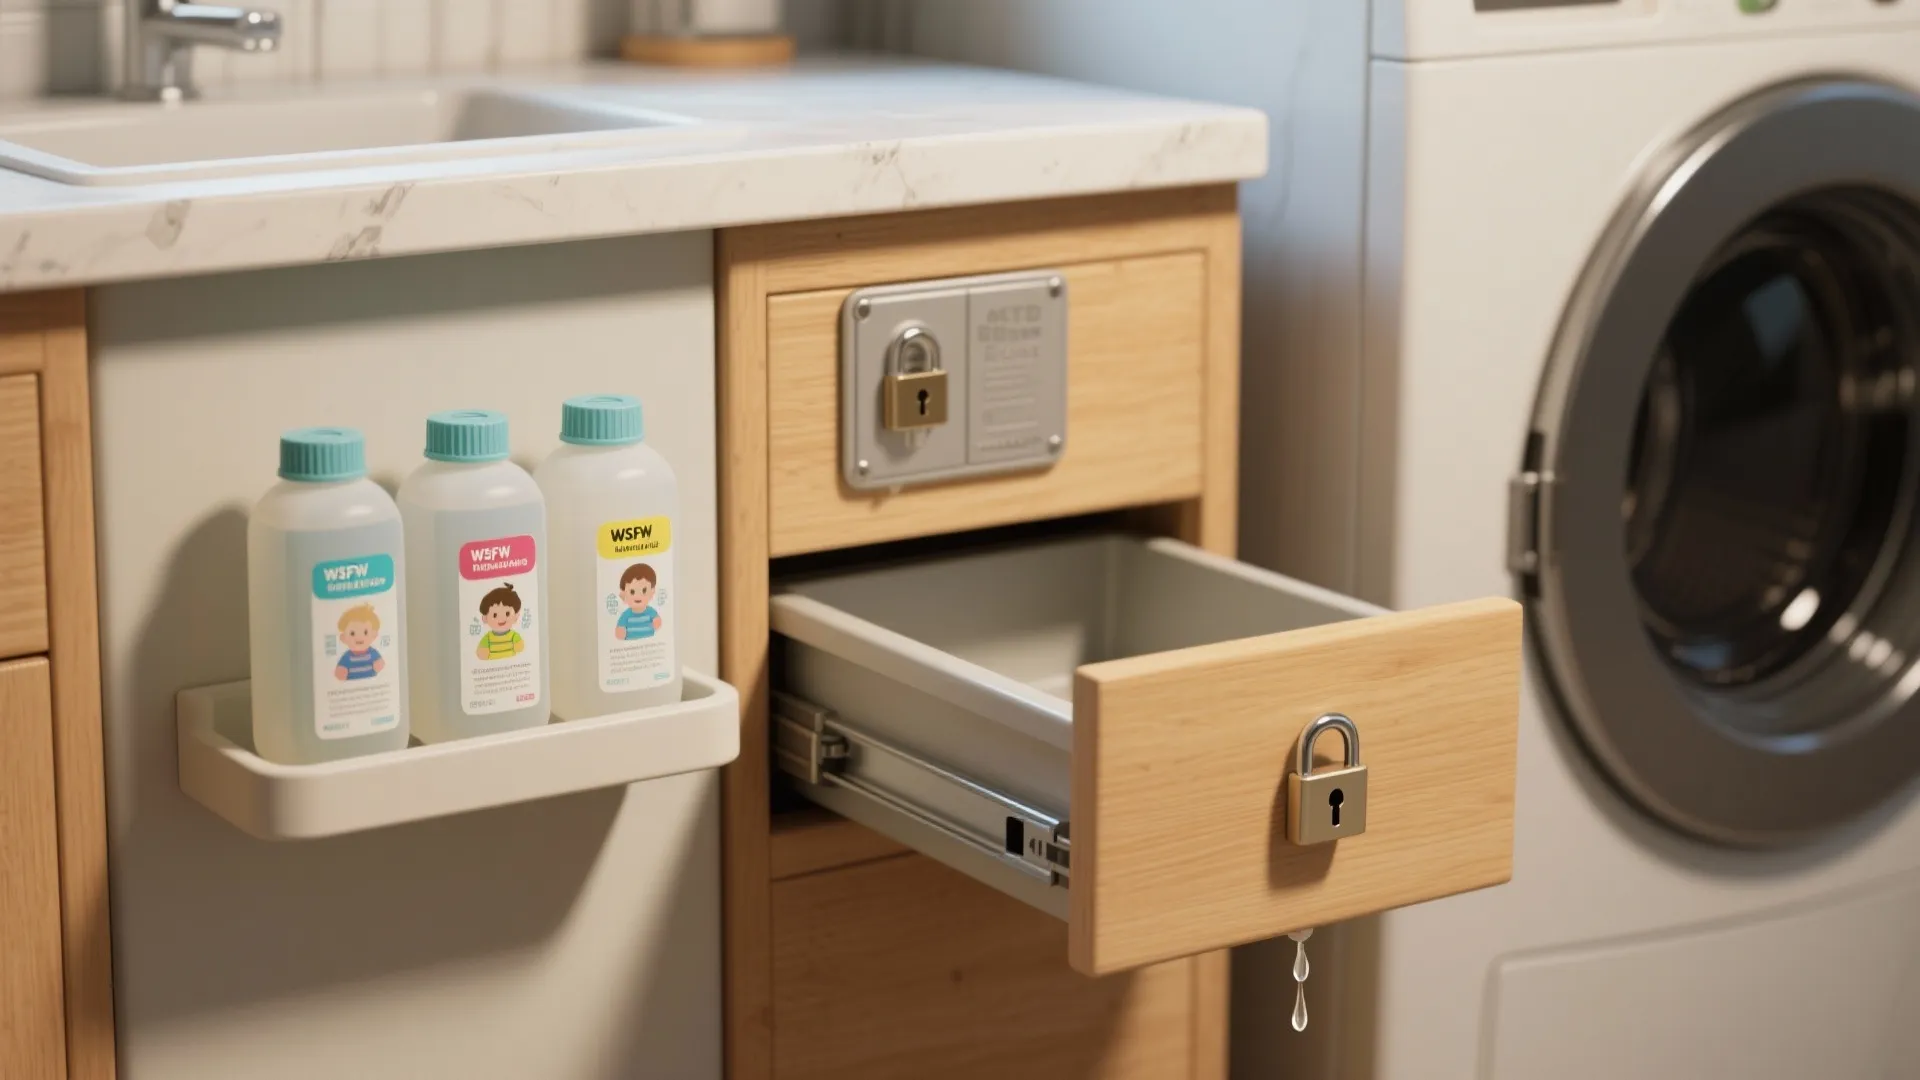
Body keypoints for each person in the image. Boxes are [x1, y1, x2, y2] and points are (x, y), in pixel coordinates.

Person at [334, 603, 386, 681]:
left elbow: (380, 663)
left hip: (372, 685)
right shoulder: (347, 657)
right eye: (352, 633)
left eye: (365, 632)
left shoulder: (373, 653)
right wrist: (340, 672)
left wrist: (379, 665)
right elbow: (340, 669)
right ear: (343, 638)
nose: (359, 637)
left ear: (374, 635)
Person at [476, 584, 527, 660]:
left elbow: (520, 649)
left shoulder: (514, 636)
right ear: (485, 618)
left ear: (516, 616)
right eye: (495, 615)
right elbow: (481, 654)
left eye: (507, 614)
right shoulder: (488, 638)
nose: (501, 618)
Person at [614, 563, 663, 641]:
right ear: (624, 594)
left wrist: (656, 623)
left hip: (650, 643)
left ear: (652, 592)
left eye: (644, 590)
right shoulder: (626, 614)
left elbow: (657, 621)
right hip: (630, 646)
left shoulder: (650, 611)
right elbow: (620, 629)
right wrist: (620, 631)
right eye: (632, 592)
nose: (638, 596)